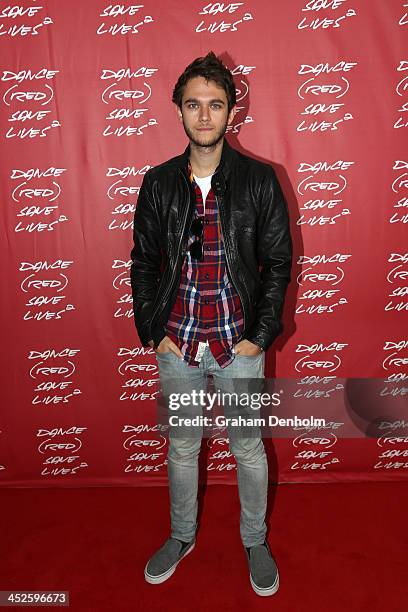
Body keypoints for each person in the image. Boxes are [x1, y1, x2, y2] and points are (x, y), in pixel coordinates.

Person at [130, 51, 292, 596]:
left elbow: (277, 266)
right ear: (179, 110)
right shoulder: (156, 184)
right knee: (181, 447)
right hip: (178, 345)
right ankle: (181, 535)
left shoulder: (259, 181)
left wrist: (259, 338)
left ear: (230, 112)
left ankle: (254, 539)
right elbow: (143, 263)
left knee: (247, 448)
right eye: (194, 104)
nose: (204, 115)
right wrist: (155, 334)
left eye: (215, 104)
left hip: (236, 345)